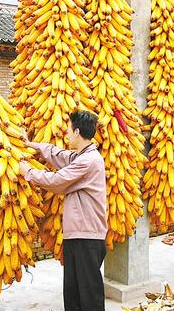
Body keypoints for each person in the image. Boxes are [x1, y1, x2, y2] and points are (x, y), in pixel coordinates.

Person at [19, 110, 108, 311]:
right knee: (73, 292)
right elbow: (58, 155)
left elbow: (57, 181)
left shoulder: (89, 161)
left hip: (87, 237)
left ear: (77, 132)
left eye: (68, 130)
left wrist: (28, 173)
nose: (66, 133)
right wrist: (32, 145)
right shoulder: (81, 156)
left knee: (89, 295)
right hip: (77, 235)